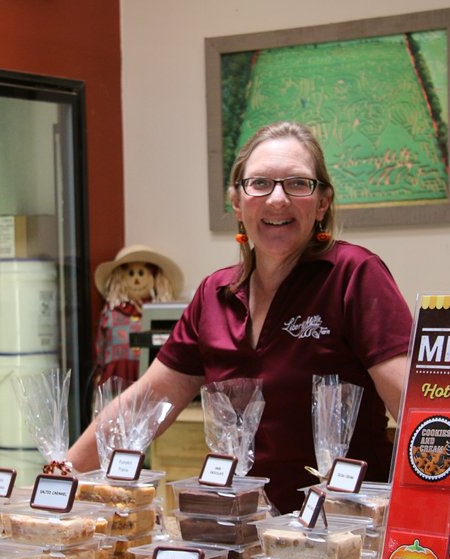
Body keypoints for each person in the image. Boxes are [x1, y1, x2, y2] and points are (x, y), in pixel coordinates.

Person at [68, 120, 413, 513]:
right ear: (237, 201)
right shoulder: (214, 295)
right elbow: (144, 405)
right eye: (260, 183)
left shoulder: (354, 275)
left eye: (298, 184)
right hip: (238, 533)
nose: (277, 199)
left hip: (342, 532)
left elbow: (414, 407)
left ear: (322, 203)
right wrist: (64, 470)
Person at [92, 245, 182, 387]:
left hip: (154, 379)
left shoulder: (160, 313)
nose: (136, 280)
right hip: (117, 380)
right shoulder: (111, 312)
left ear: (154, 277)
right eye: (130, 274)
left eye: (141, 273)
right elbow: (100, 347)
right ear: (120, 278)